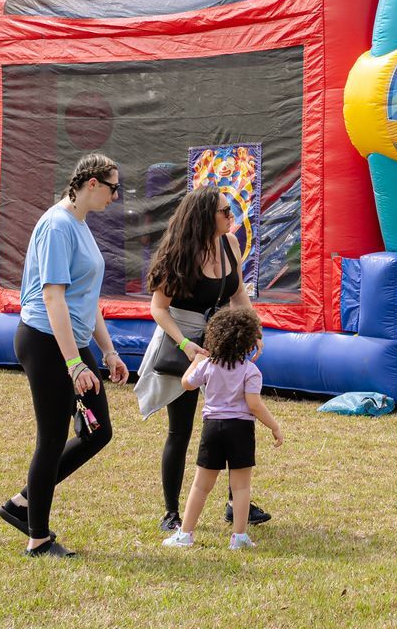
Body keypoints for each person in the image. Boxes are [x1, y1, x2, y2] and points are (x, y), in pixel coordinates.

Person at [0, 153, 132, 558]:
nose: (115, 196)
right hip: (45, 341)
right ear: (92, 183)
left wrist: (108, 351)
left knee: (98, 431)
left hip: (72, 341)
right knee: (53, 439)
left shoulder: (80, 224)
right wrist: (74, 364)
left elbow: (86, 299)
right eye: (113, 188)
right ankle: (38, 538)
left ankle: (23, 503)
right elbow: (53, 297)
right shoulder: (58, 225)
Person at [136, 186, 270, 534]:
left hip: (220, 339)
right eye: (225, 212)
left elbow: (237, 293)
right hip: (183, 340)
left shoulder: (230, 244)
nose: (231, 216)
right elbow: (158, 308)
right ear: (204, 218)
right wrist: (185, 345)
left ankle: (235, 501)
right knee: (180, 429)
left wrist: (253, 328)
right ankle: (171, 512)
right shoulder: (180, 251)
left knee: (235, 419)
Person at [163, 306, 284, 551]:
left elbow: (186, 384)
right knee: (241, 486)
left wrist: (197, 360)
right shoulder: (251, 371)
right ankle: (239, 537)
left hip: (212, 429)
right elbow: (254, 405)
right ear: (248, 342)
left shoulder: (208, 365)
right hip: (241, 430)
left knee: (201, 485)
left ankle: (185, 534)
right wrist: (274, 426)